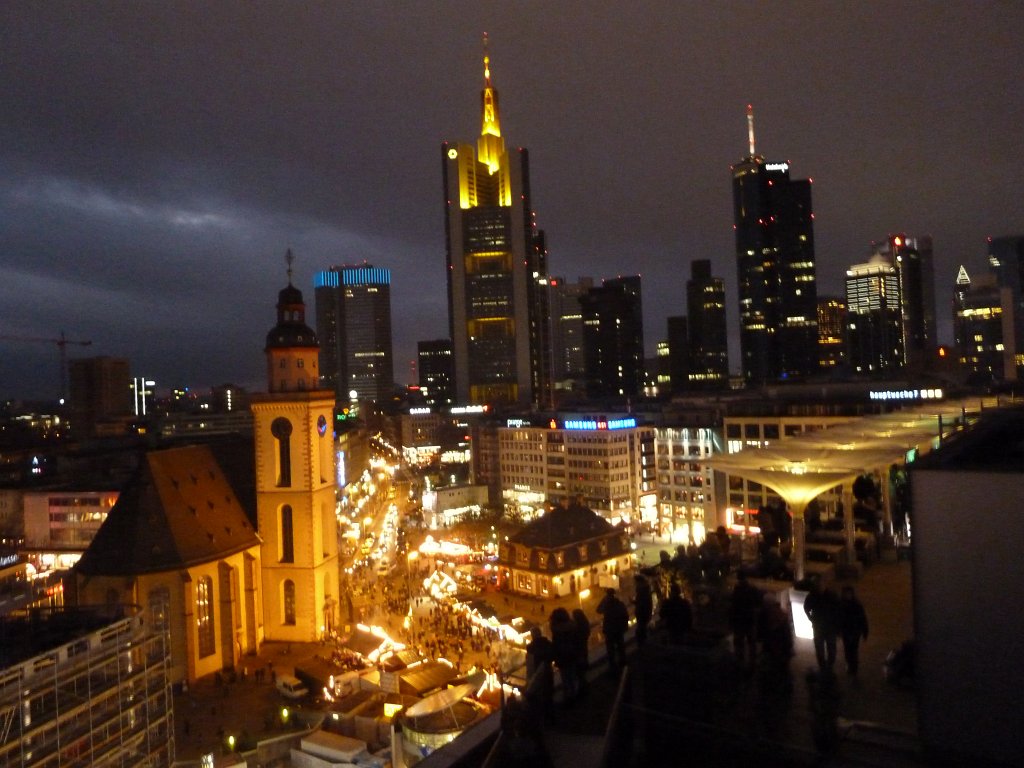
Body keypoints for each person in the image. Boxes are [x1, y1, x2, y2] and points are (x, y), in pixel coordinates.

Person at [803, 582, 840, 672]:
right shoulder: (830, 595)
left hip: (821, 625)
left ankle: (825, 665)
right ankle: (827, 665)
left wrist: (811, 618)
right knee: (828, 647)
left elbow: (806, 608)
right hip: (826, 626)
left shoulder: (813, 596)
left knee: (823, 647)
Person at [549, 607, 580, 703]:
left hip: (562, 657)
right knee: (573, 675)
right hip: (573, 654)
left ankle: (569, 697)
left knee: (565, 678)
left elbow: (555, 645)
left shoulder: (556, 630)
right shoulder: (572, 627)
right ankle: (575, 694)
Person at [597, 587, 629, 673]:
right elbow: (625, 615)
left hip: (610, 630)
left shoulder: (606, 605)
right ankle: (623, 664)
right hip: (619, 629)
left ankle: (613, 667)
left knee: (610, 650)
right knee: (621, 647)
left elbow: (598, 610)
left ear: (607, 595)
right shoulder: (620, 604)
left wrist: (603, 600)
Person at [839, 586, 869, 675]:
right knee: (848, 650)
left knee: (853, 650)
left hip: (855, 632)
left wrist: (865, 632)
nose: (848, 596)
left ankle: (854, 667)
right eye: (846, 594)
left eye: (849, 594)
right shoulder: (841, 605)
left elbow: (863, 619)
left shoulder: (857, 605)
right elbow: (838, 618)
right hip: (846, 632)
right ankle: (850, 665)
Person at [525, 626, 554, 718]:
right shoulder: (548, 643)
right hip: (548, 671)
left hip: (537, 673)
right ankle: (550, 713)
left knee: (539, 694)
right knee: (548, 692)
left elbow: (530, 664)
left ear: (532, 635)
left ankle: (542, 716)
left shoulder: (530, 647)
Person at [633, 574, 654, 648]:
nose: (635, 584)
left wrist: (634, 602)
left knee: (641, 630)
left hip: (642, 614)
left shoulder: (642, 591)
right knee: (642, 629)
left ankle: (642, 646)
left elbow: (641, 603)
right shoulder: (645, 591)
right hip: (644, 614)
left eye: (635, 582)